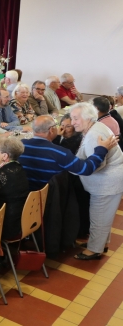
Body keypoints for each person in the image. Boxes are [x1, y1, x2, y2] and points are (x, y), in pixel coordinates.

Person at [70, 103, 123, 260]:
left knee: (99, 215)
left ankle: (94, 250)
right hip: (111, 179)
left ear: (87, 118)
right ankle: (101, 244)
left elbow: (96, 165)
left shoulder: (94, 134)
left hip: (107, 182)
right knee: (103, 216)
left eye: (75, 118)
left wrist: (73, 167)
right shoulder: (95, 126)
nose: (72, 122)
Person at [18, 115, 115, 191]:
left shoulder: (19, 145)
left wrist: (56, 137)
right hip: (50, 197)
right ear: (52, 129)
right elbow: (86, 169)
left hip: (26, 195)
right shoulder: (60, 153)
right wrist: (101, 149)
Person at [0, 137, 30, 240]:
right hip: (20, 220)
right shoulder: (18, 168)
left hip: (6, 225)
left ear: (4, 156)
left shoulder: (1, 175)